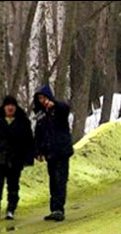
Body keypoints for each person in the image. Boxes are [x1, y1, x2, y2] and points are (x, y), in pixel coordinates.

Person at [0, 95, 35, 220]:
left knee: (13, 185)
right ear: (4, 107)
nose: (10, 108)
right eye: (8, 106)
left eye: (12, 106)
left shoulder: (23, 121)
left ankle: (11, 208)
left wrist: (29, 158)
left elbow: (28, 141)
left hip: (16, 159)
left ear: (16, 107)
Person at [32, 85, 73, 222]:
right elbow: (38, 134)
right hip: (50, 153)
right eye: (40, 98)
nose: (42, 101)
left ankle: (59, 209)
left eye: (43, 97)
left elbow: (66, 108)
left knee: (60, 180)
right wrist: (37, 151)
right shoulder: (40, 115)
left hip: (61, 150)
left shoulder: (58, 110)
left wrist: (54, 105)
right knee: (53, 182)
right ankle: (54, 208)